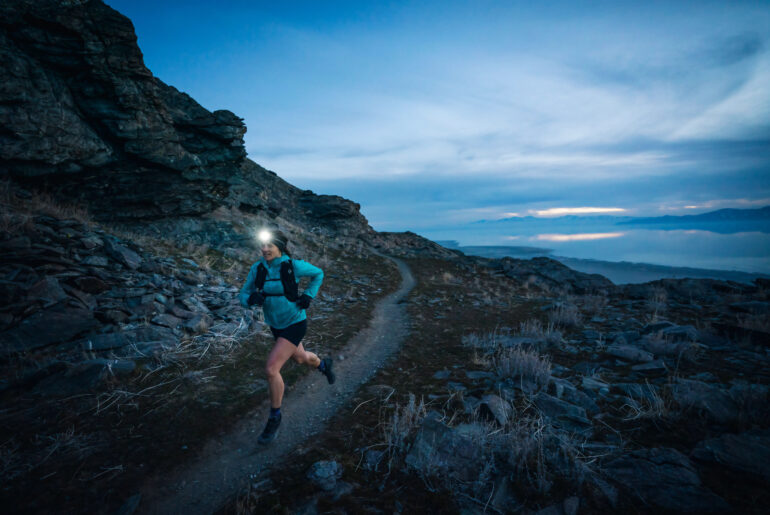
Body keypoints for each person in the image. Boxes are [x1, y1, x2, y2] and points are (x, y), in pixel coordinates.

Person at [238, 229, 335, 445]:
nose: (264, 249)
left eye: (269, 245)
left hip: (295, 321)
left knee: (272, 369)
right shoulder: (258, 268)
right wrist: (250, 299)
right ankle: (324, 365)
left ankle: (275, 417)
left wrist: (309, 295)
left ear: (279, 247)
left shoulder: (293, 266)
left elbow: (318, 273)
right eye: (262, 245)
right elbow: (243, 294)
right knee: (300, 358)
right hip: (275, 324)